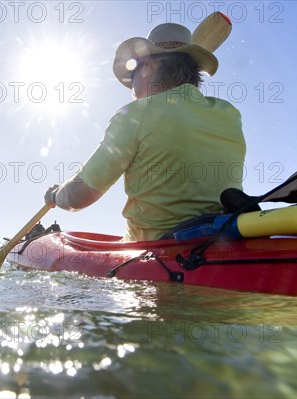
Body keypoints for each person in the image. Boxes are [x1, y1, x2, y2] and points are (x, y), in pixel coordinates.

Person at [44, 21, 246, 241]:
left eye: (133, 75)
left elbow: (79, 196)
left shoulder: (135, 114)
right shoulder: (229, 113)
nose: (131, 88)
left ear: (148, 68)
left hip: (156, 251)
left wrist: (56, 195)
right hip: (225, 238)